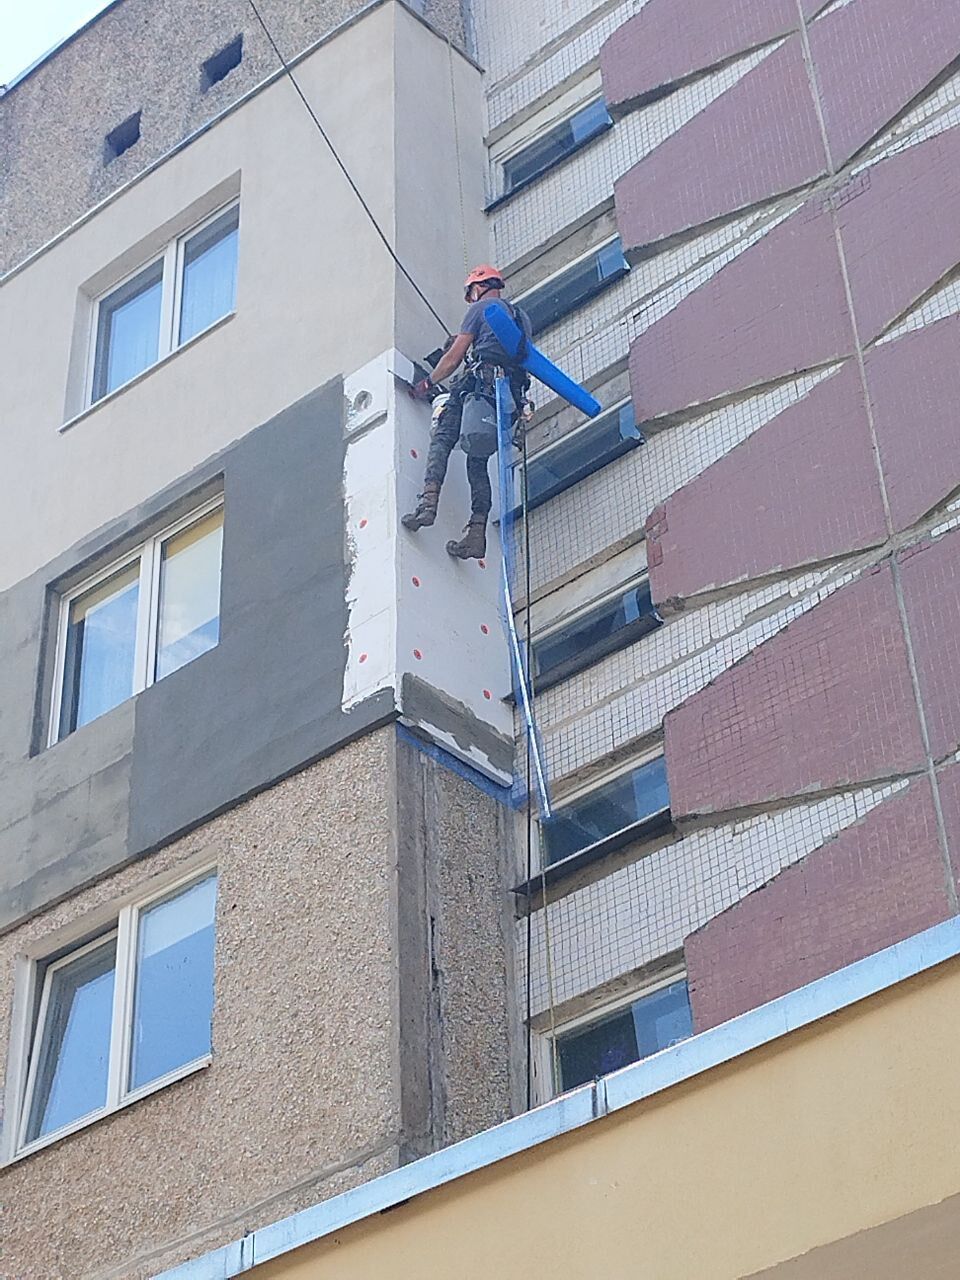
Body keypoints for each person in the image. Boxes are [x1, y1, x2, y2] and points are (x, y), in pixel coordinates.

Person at [402, 265, 532, 560]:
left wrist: (426, 383)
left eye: (471, 292)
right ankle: (476, 535)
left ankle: (427, 507)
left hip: (477, 386)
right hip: (504, 400)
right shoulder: (521, 319)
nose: (472, 298)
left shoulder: (482, 309)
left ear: (478, 287)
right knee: (477, 462)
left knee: (443, 438)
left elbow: (452, 359)